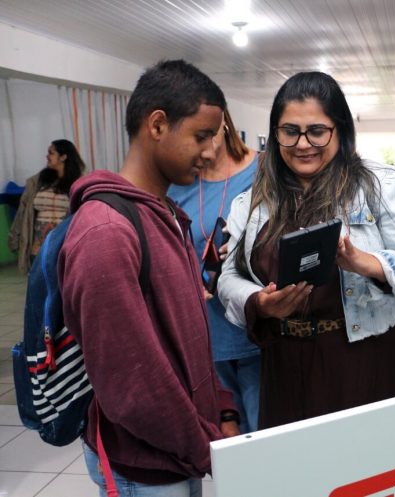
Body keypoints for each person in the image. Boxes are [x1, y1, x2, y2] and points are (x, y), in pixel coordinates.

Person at [218, 71, 395, 429]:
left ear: (340, 130)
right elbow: (230, 275)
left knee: (368, 471)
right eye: (289, 130)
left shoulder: (381, 186)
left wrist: (367, 263)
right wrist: (257, 302)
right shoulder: (255, 200)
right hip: (285, 361)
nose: (302, 143)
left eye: (317, 130)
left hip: (367, 357)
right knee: (297, 472)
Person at [59, 59, 240, 497]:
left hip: (179, 452)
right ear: (157, 125)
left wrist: (221, 409)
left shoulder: (167, 216)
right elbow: (131, 383)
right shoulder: (106, 232)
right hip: (143, 467)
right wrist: (206, 447)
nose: (213, 152)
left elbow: (187, 337)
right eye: (201, 136)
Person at [168, 107, 261, 434]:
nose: (200, 149)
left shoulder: (264, 171)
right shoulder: (177, 184)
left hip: (258, 327)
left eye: (204, 134)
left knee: (264, 437)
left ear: (223, 125)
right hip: (205, 332)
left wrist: (252, 248)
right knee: (225, 437)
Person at [8, 139, 85, 273]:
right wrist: (14, 237)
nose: (47, 156)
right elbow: (23, 212)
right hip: (38, 246)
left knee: (62, 286)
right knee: (39, 285)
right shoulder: (38, 182)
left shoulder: (79, 183)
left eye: (51, 153)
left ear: (63, 157)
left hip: (65, 244)